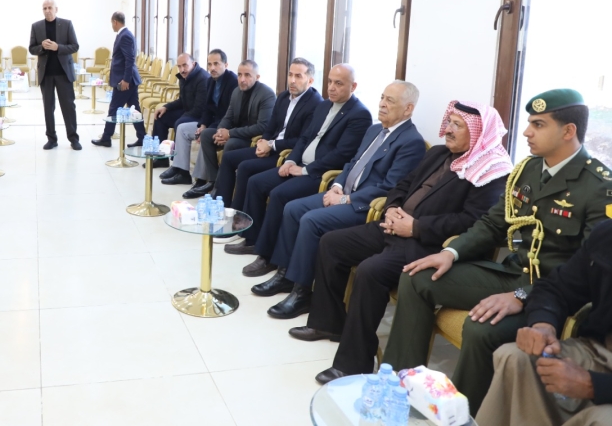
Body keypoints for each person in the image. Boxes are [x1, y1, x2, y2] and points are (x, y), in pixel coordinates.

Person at [381, 89, 612, 415]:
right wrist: (452, 253)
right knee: (418, 276)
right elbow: (492, 224)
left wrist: (523, 295)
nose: (527, 132)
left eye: (538, 125)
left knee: (481, 328)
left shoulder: (599, 186)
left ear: (568, 131)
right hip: (512, 273)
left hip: (546, 293)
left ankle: (461, 414)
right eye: (529, 123)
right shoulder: (528, 169)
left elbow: (586, 271)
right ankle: (403, 385)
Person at [297, 101, 511, 385]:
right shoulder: (438, 153)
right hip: (393, 226)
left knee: (371, 271)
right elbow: (402, 185)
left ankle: (353, 362)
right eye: (449, 121)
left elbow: (471, 222)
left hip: (428, 244)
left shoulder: (490, 171)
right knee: (331, 243)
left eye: (457, 125)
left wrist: (416, 228)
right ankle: (329, 323)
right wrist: (392, 209)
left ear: (479, 132)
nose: (447, 129)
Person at [249, 81, 426, 320]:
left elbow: (390, 187)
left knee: (311, 220)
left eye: (390, 101)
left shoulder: (411, 142)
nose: (382, 104)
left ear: (408, 109)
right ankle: (284, 274)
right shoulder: (375, 130)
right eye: (382, 97)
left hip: (363, 206)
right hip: (343, 193)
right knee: (292, 208)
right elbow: (351, 163)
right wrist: (337, 186)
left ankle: (302, 292)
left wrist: (345, 198)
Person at [477, 219, 612, 426]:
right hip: (600, 350)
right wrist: (543, 326)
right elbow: (556, 288)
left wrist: (595, 385)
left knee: (602, 419)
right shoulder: (607, 235)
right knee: (516, 357)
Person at [225, 63, 370, 255]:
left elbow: (341, 154)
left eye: (338, 83)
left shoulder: (359, 114)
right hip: (299, 165)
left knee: (278, 194)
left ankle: (266, 254)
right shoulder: (324, 105)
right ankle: (251, 239)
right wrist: (291, 161)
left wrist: (304, 170)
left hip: (319, 173)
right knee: (256, 182)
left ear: (353, 86)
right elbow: (304, 138)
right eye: (329, 82)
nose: (331, 87)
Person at [213, 58, 322, 211]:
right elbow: (270, 127)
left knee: (245, 167)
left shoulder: (315, 103)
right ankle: (221, 207)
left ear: (310, 81)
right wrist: (263, 141)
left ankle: (237, 213)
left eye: (298, 76)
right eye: (290, 75)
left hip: (286, 154)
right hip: (270, 146)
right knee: (229, 158)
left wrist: (271, 145)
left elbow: (302, 140)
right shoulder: (284, 97)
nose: (292, 80)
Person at [182, 59, 276, 199]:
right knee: (207, 134)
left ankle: (220, 188)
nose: (242, 79)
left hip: (253, 138)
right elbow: (228, 117)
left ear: (257, 77)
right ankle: (213, 180)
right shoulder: (237, 91)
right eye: (239, 75)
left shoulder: (266, 94)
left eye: (247, 75)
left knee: (231, 143)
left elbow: (262, 127)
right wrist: (220, 132)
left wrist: (230, 134)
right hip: (235, 133)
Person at [161, 49, 238, 186]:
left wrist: (206, 129)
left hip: (227, 127)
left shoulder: (233, 82)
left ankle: (201, 180)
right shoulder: (210, 81)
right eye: (209, 64)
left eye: (216, 64)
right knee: (182, 129)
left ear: (226, 65)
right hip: (212, 123)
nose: (212, 68)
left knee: (206, 135)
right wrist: (202, 125)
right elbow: (207, 108)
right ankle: (182, 172)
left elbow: (230, 115)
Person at [29, 0, 81, 150]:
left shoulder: (66, 24)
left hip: (63, 73)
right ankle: (51, 139)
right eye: (44, 8)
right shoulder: (36, 26)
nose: (47, 10)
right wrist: (42, 47)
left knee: (68, 107)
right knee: (48, 108)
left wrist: (58, 47)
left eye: (50, 7)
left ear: (56, 9)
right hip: (46, 74)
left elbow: (75, 46)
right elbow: (31, 48)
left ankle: (73, 138)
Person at [92, 11, 147, 147]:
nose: (112, 25)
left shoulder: (124, 36)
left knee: (114, 108)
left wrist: (126, 80)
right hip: (129, 79)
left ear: (115, 22)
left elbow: (130, 59)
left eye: (112, 23)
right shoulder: (124, 34)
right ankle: (142, 137)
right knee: (135, 110)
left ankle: (106, 138)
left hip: (125, 81)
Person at [149, 53, 210, 169]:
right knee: (160, 117)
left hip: (201, 117)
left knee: (180, 123)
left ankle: (177, 164)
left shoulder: (203, 79)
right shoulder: (184, 77)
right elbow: (182, 100)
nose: (182, 69)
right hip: (188, 111)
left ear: (193, 64)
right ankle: (160, 158)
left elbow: (200, 109)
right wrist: (166, 107)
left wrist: (181, 118)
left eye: (185, 65)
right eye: (179, 66)